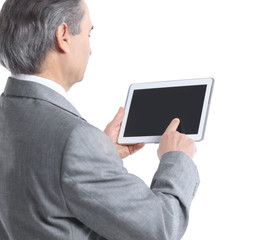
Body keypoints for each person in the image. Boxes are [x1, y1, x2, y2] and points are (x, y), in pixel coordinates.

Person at [0, 0, 199, 239]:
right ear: (64, 35)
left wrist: (103, 154)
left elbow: (38, 182)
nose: (90, 49)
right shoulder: (76, 140)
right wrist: (176, 159)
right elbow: (163, 227)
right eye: (88, 33)